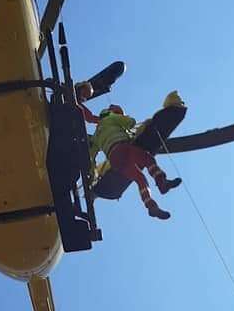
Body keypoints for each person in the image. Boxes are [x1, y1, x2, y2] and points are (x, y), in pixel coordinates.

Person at [75, 83, 183, 220]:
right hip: (123, 148)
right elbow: (131, 122)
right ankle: (161, 182)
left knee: (140, 179)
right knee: (147, 160)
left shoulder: (96, 135)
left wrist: (90, 174)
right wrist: (122, 114)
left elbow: (91, 155)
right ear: (111, 113)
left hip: (115, 161)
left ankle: (151, 206)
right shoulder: (111, 118)